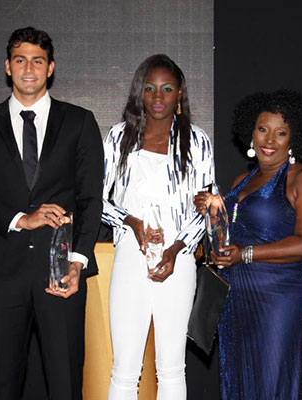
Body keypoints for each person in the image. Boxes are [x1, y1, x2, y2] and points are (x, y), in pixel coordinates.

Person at [0, 27, 103, 400]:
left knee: (65, 383)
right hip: (1, 275)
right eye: (20, 60)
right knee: (2, 385)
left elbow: (90, 199)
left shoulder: (79, 122)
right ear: (8, 66)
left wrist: (77, 262)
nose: (28, 68)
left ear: (50, 68)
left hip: (61, 273)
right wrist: (21, 218)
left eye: (37, 61)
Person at [196, 89, 302, 399]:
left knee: (273, 383)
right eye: (262, 129)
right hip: (237, 296)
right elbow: (229, 237)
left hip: (279, 298)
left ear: (293, 138)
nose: (270, 140)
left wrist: (246, 254)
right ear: (250, 134)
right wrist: (211, 214)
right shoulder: (240, 181)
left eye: (281, 133)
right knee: (241, 382)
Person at [102, 54, 214, 399]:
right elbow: (98, 200)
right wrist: (130, 221)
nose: (158, 96)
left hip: (177, 261)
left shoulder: (197, 141)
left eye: (167, 88)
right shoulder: (118, 137)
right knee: (124, 368)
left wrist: (177, 248)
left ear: (179, 93)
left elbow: (207, 204)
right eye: (150, 88)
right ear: (141, 92)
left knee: (171, 368)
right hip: (129, 257)